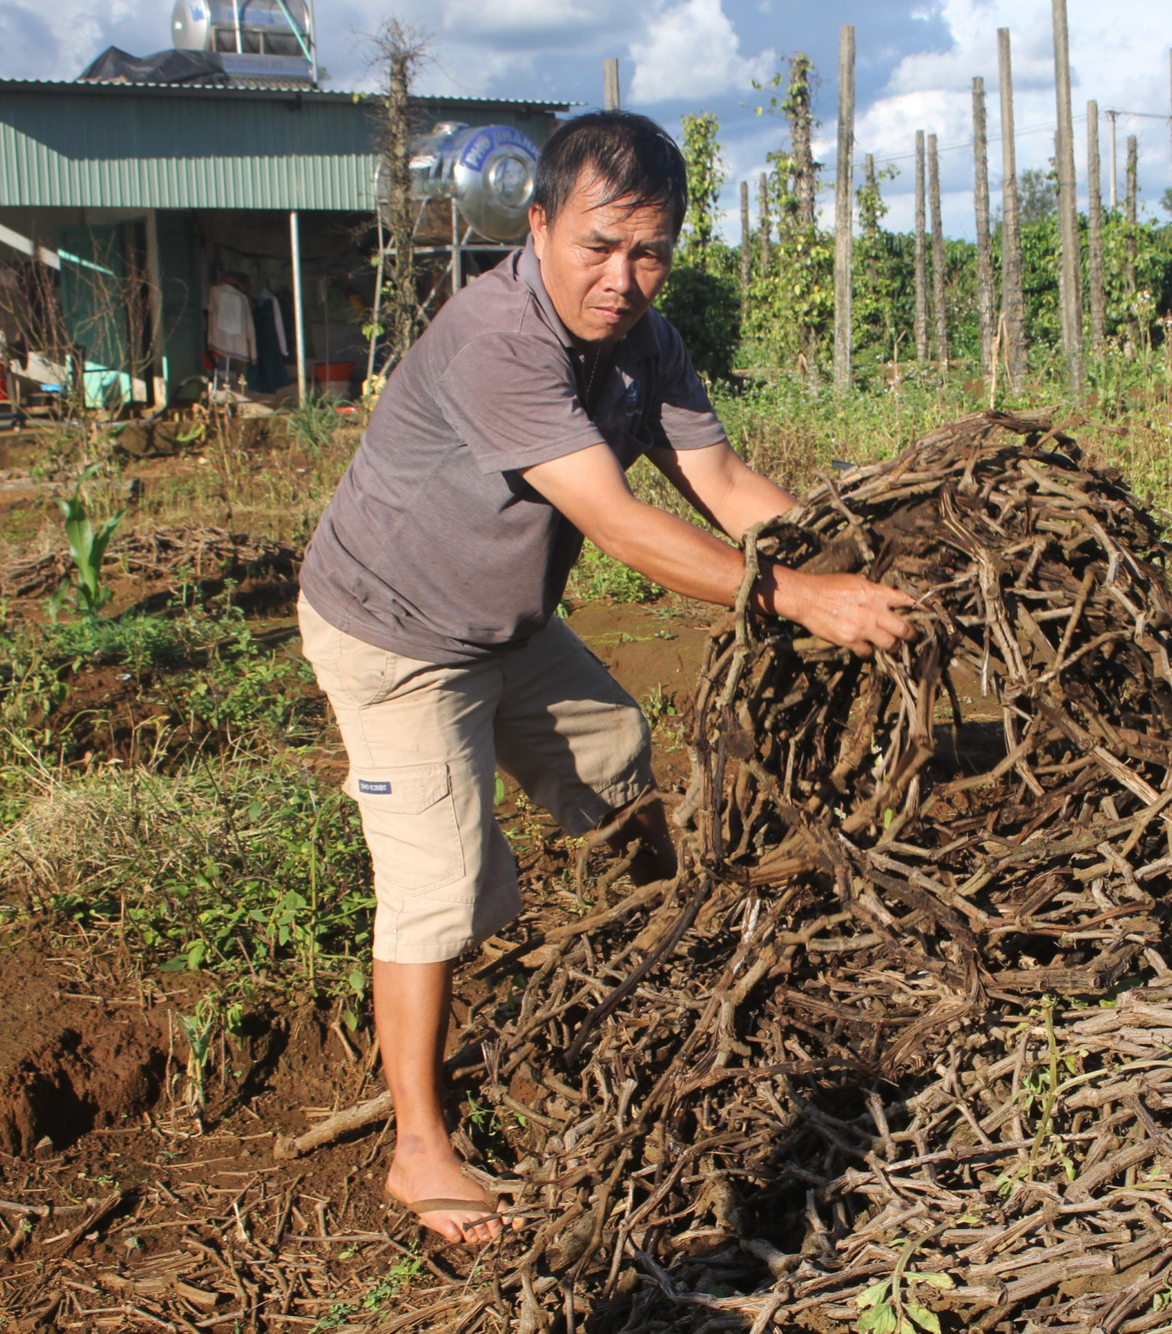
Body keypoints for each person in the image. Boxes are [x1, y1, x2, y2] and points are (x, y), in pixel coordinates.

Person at [296, 111, 916, 1245]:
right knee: (440, 882)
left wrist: (853, 557)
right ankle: (418, 1148)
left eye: (650, 252)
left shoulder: (646, 345)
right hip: (396, 632)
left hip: (507, 619)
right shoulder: (498, 337)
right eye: (598, 245)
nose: (622, 278)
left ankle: (663, 942)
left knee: (616, 755)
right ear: (536, 226)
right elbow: (622, 525)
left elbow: (722, 482)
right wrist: (799, 599)